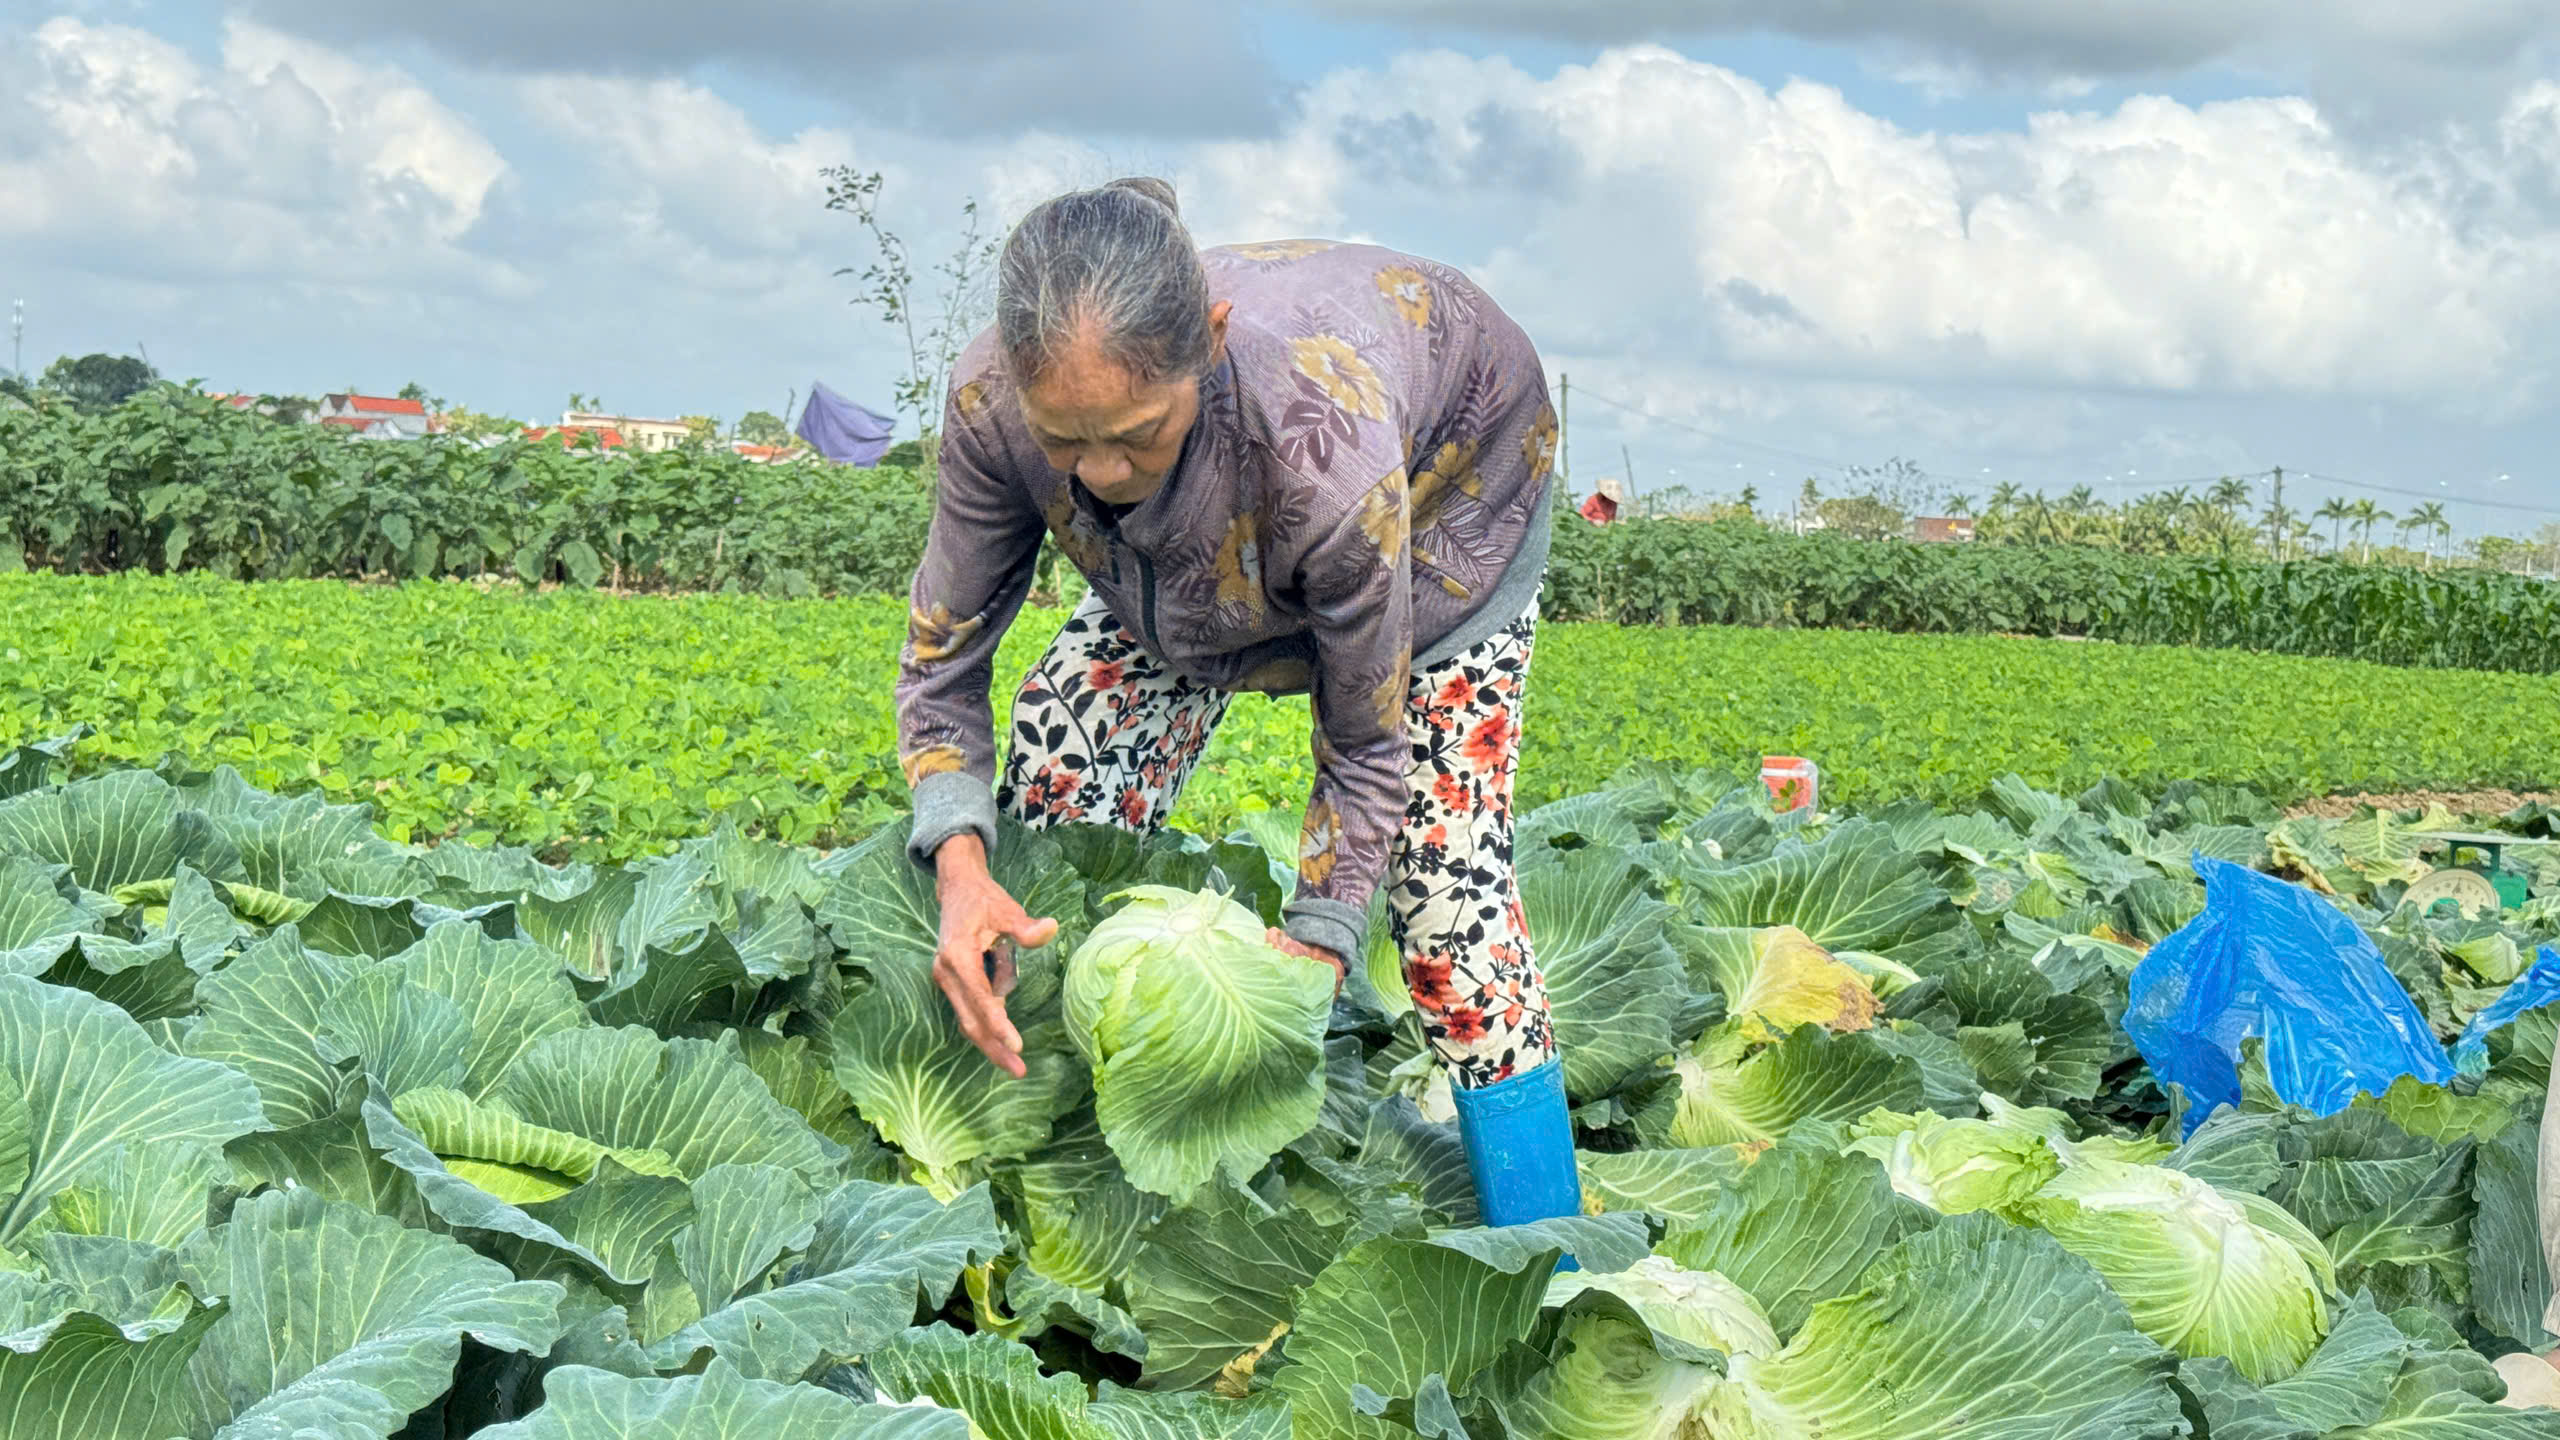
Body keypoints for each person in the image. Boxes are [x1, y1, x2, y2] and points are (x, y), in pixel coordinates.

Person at [891, 176, 1578, 1233]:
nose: (1102, 470)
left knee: (1446, 901)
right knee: (1060, 788)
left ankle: (1551, 1252)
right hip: (1177, 577)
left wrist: (1318, 940)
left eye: (1133, 431)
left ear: (1208, 343)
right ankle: (1062, 1191)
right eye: (1064, 440)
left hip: (1446, 508)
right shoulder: (993, 405)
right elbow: (943, 655)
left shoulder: (1324, 453)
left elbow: (1364, 741)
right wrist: (960, 865)